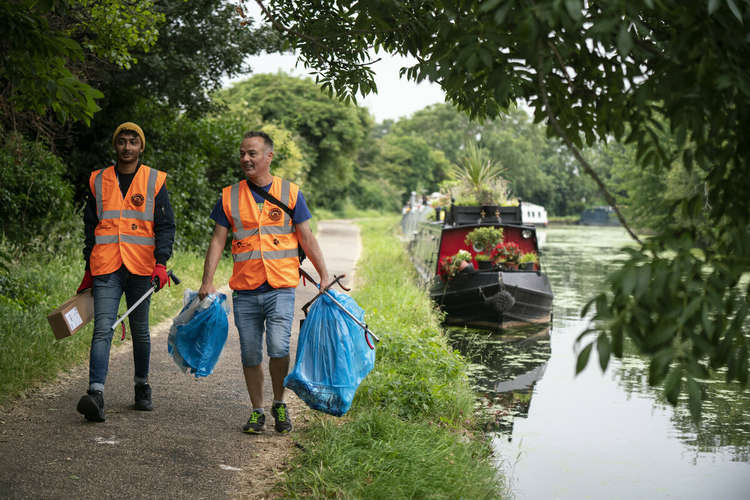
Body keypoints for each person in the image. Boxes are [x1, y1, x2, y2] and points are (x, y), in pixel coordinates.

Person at [198, 130, 330, 434]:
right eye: (242, 153)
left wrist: (324, 275)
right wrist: (208, 281)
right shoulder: (229, 196)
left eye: (252, 153)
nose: (245, 158)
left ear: (269, 157)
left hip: (281, 286)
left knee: (278, 346)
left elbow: (306, 237)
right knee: (250, 352)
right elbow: (218, 240)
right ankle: (257, 410)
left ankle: (279, 403)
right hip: (245, 288)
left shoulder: (291, 193)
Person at [75, 122, 176, 422]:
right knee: (103, 328)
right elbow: (90, 228)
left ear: (141, 147)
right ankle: (95, 394)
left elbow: (166, 225)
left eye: (133, 142)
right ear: (115, 146)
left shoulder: (154, 181)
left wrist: (161, 263)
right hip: (106, 265)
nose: (127, 147)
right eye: (122, 141)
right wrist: (87, 269)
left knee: (140, 331)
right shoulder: (98, 180)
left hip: (142, 267)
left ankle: (142, 386)